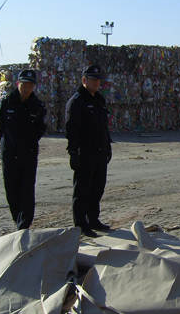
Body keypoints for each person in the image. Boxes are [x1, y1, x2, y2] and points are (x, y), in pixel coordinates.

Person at [65, 64, 112, 237]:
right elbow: (71, 129)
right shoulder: (77, 101)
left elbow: (103, 126)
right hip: (85, 152)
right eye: (93, 80)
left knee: (98, 187)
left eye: (98, 80)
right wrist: (73, 152)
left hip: (99, 151)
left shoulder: (99, 100)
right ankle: (81, 223)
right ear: (84, 80)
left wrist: (108, 146)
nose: (96, 83)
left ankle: (93, 218)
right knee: (82, 189)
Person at [0, 69, 46, 229]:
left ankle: (24, 224)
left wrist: (28, 144)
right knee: (12, 189)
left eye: (30, 85)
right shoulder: (7, 102)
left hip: (28, 154)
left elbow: (40, 129)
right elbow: (0, 127)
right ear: (18, 84)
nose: (27, 88)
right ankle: (17, 219)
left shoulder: (37, 106)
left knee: (27, 189)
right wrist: (8, 144)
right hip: (10, 154)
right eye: (24, 84)